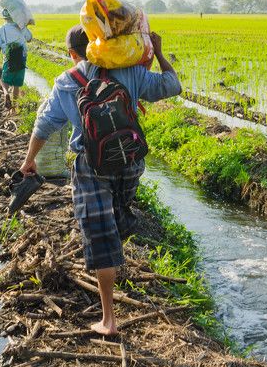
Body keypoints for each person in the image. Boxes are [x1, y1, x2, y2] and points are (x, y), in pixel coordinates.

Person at [18, 24, 181, 335]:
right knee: (117, 220)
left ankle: (108, 320)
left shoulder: (67, 81)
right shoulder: (130, 73)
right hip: (131, 160)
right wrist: (158, 51)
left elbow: (44, 126)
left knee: (98, 232)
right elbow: (172, 86)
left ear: (72, 54)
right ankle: (116, 245)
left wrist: (28, 162)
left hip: (91, 164)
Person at [0, 9, 33, 108]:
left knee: (3, 79)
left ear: (5, 18)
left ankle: (6, 93)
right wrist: (25, 26)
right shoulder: (20, 27)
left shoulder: (1, 29)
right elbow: (29, 39)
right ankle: (14, 107)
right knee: (16, 84)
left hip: (9, 58)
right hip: (21, 58)